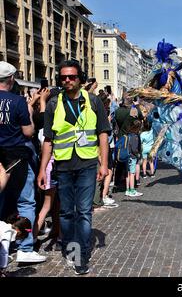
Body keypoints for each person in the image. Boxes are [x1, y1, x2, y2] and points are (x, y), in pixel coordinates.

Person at [37, 60, 110, 275]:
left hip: (87, 164)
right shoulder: (53, 104)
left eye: (72, 77)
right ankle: (70, 247)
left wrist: (103, 164)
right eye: (63, 77)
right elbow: (48, 140)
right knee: (67, 212)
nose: (67, 80)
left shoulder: (94, 101)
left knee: (84, 212)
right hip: (63, 165)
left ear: (80, 79)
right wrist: (43, 169)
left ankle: (81, 255)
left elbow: (102, 134)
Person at [0, 61, 47, 264]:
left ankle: (3, 245)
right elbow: (28, 132)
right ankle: (25, 247)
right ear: (11, 79)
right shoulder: (17, 101)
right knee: (26, 201)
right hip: (17, 156)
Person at [126, 120, 143, 198]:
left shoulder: (128, 134)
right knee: (132, 174)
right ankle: (132, 190)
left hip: (127, 156)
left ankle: (128, 189)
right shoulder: (135, 136)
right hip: (133, 157)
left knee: (128, 173)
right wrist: (138, 154)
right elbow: (134, 149)